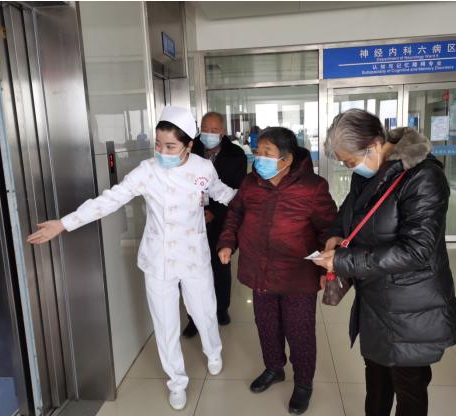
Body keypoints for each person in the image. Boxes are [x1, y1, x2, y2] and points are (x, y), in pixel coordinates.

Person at [26, 106, 236, 411]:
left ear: (189, 145)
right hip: (158, 259)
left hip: (194, 256)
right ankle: (176, 381)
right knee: (165, 324)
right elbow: (110, 199)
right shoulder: (146, 171)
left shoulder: (203, 168)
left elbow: (223, 193)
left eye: (170, 146)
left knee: (204, 312)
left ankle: (213, 352)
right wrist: (64, 223)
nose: (162, 152)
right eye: (158, 144)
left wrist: (259, 204)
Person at [313, 109, 456, 416]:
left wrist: (344, 260)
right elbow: (350, 212)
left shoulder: (423, 177)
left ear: (374, 145)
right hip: (376, 299)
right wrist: (335, 234)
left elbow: (417, 250)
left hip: (412, 307)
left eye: (350, 161)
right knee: (377, 380)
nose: (350, 168)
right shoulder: (367, 173)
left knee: (409, 389)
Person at [217, 127, 337, 415]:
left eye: (266, 153)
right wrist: (227, 242)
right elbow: (235, 214)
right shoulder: (251, 182)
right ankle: (274, 368)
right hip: (259, 269)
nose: (259, 158)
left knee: (300, 331)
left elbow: (329, 228)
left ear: (287, 158)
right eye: (257, 151)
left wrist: (328, 268)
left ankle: (304, 383)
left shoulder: (313, 187)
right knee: (267, 325)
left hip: (298, 274)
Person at [181, 112, 247, 338]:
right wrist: (196, 211)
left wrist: (215, 213)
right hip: (191, 219)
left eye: (214, 130)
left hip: (221, 220)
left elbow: (234, 191)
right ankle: (193, 318)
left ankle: (221, 309)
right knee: (192, 270)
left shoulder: (236, 154)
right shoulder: (189, 150)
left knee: (220, 266)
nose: (209, 134)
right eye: (205, 129)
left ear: (223, 132)